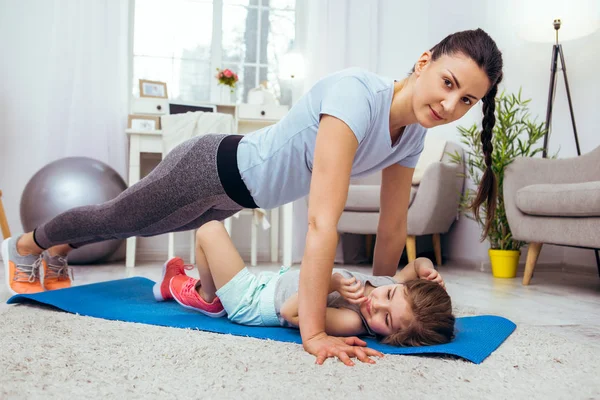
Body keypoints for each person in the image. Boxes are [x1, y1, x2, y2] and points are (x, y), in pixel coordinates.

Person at [2, 28, 502, 365]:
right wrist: (313, 335)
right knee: (120, 218)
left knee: (124, 221)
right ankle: (30, 244)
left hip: (237, 196)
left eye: (467, 100)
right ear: (423, 63)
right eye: (448, 83)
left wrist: (380, 287)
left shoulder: (412, 134)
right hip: (211, 167)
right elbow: (320, 224)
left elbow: (393, 228)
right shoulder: (357, 97)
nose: (449, 104)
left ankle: (60, 247)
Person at [156, 220, 454, 366]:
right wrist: (427, 268)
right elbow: (414, 265)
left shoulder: (352, 321)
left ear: (390, 336)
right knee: (210, 236)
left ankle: (209, 298)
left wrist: (333, 282)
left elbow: (291, 312)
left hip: (254, 302)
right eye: (388, 296)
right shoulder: (391, 283)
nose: (375, 304)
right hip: (269, 282)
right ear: (401, 286)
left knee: (208, 231)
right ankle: (204, 290)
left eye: (386, 321)